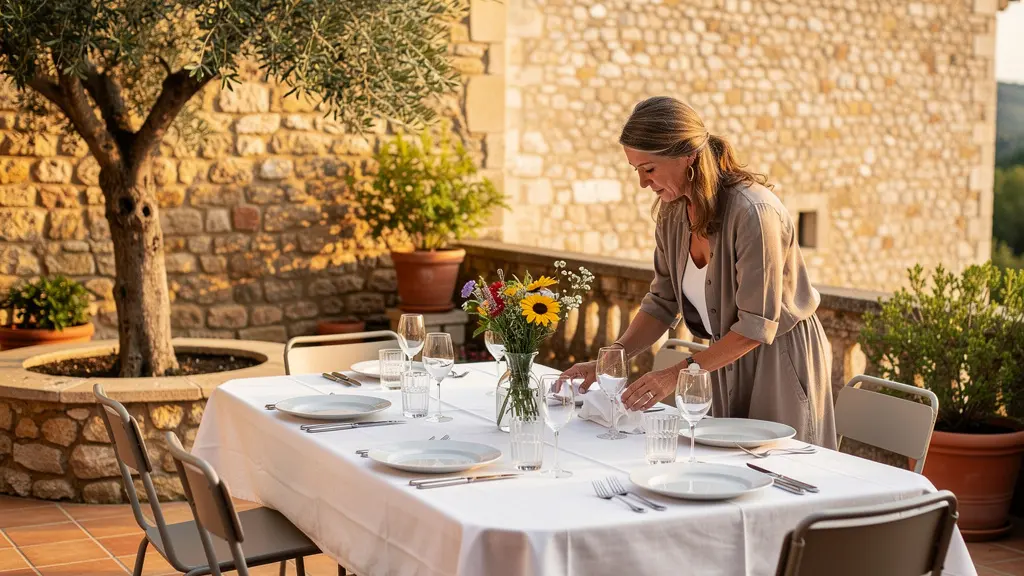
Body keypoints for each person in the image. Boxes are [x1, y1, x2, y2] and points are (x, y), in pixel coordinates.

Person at [561, 96, 837, 448]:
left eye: (650, 169)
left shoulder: (754, 212)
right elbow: (661, 303)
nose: (644, 184)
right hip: (718, 362)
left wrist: (675, 375)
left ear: (687, 155)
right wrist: (609, 359)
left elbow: (756, 327)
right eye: (637, 171)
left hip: (779, 364)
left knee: (780, 474)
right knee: (725, 469)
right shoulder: (672, 213)